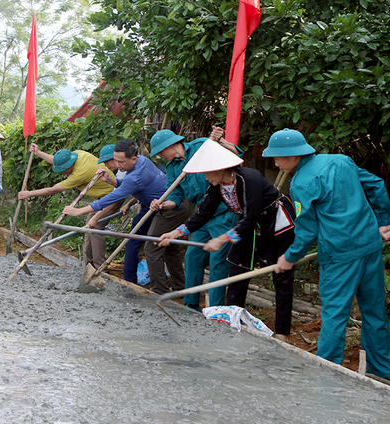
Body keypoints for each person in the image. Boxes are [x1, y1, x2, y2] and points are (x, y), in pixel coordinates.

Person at [263, 129, 390, 377]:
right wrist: (384, 220)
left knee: (334, 316)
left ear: (294, 156)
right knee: (375, 313)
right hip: (370, 246)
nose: (276, 163)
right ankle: (382, 372)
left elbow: (307, 230)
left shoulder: (301, 183)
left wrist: (289, 257)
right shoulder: (340, 160)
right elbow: (376, 184)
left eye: (278, 158)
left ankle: (328, 375)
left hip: (339, 256)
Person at [158, 139, 296, 339]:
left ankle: (282, 332)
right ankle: (233, 319)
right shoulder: (217, 185)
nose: (205, 176)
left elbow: (250, 218)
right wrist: (176, 232)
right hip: (249, 225)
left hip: (276, 223)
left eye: (207, 172)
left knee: (281, 274)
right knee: (237, 267)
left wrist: (222, 239)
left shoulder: (250, 178)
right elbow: (203, 214)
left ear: (220, 168)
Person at [64, 139, 189, 293]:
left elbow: (115, 196)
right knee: (148, 243)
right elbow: (127, 185)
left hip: (170, 208)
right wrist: (110, 180)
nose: (118, 165)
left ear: (133, 159)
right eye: (115, 160)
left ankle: (160, 291)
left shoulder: (136, 175)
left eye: (121, 162)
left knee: (153, 248)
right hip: (151, 206)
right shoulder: (141, 161)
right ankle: (150, 283)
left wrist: (80, 210)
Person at [149, 127, 241, 310]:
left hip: (224, 212)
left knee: (218, 259)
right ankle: (191, 304)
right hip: (202, 215)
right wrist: (162, 204)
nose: (161, 156)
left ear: (170, 145)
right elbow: (174, 197)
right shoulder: (172, 167)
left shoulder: (202, 145)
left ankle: (215, 308)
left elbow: (237, 155)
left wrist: (221, 141)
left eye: (161, 152)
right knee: (192, 256)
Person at [18, 144, 115, 269]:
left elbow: (53, 190)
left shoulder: (79, 174)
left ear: (70, 165)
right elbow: (58, 161)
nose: (63, 172)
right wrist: (38, 152)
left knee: (95, 227)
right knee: (89, 227)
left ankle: (99, 268)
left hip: (112, 196)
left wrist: (29, 193)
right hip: (101, 198)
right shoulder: (78, 154)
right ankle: (89, 264)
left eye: (63, 170)